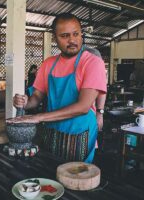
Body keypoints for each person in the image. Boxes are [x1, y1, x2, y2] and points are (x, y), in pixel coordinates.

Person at [11, 13, 107, 163]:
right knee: (50, 172)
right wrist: (24, 102)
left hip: (79, 131)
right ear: (55, 38)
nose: (72, 40)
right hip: (52, 130)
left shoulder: (92, 63)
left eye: (76, 34)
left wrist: (38, 117)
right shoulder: (48, 64)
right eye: (64, 36)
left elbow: (83, 107)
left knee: (73, 177)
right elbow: (36, 97)